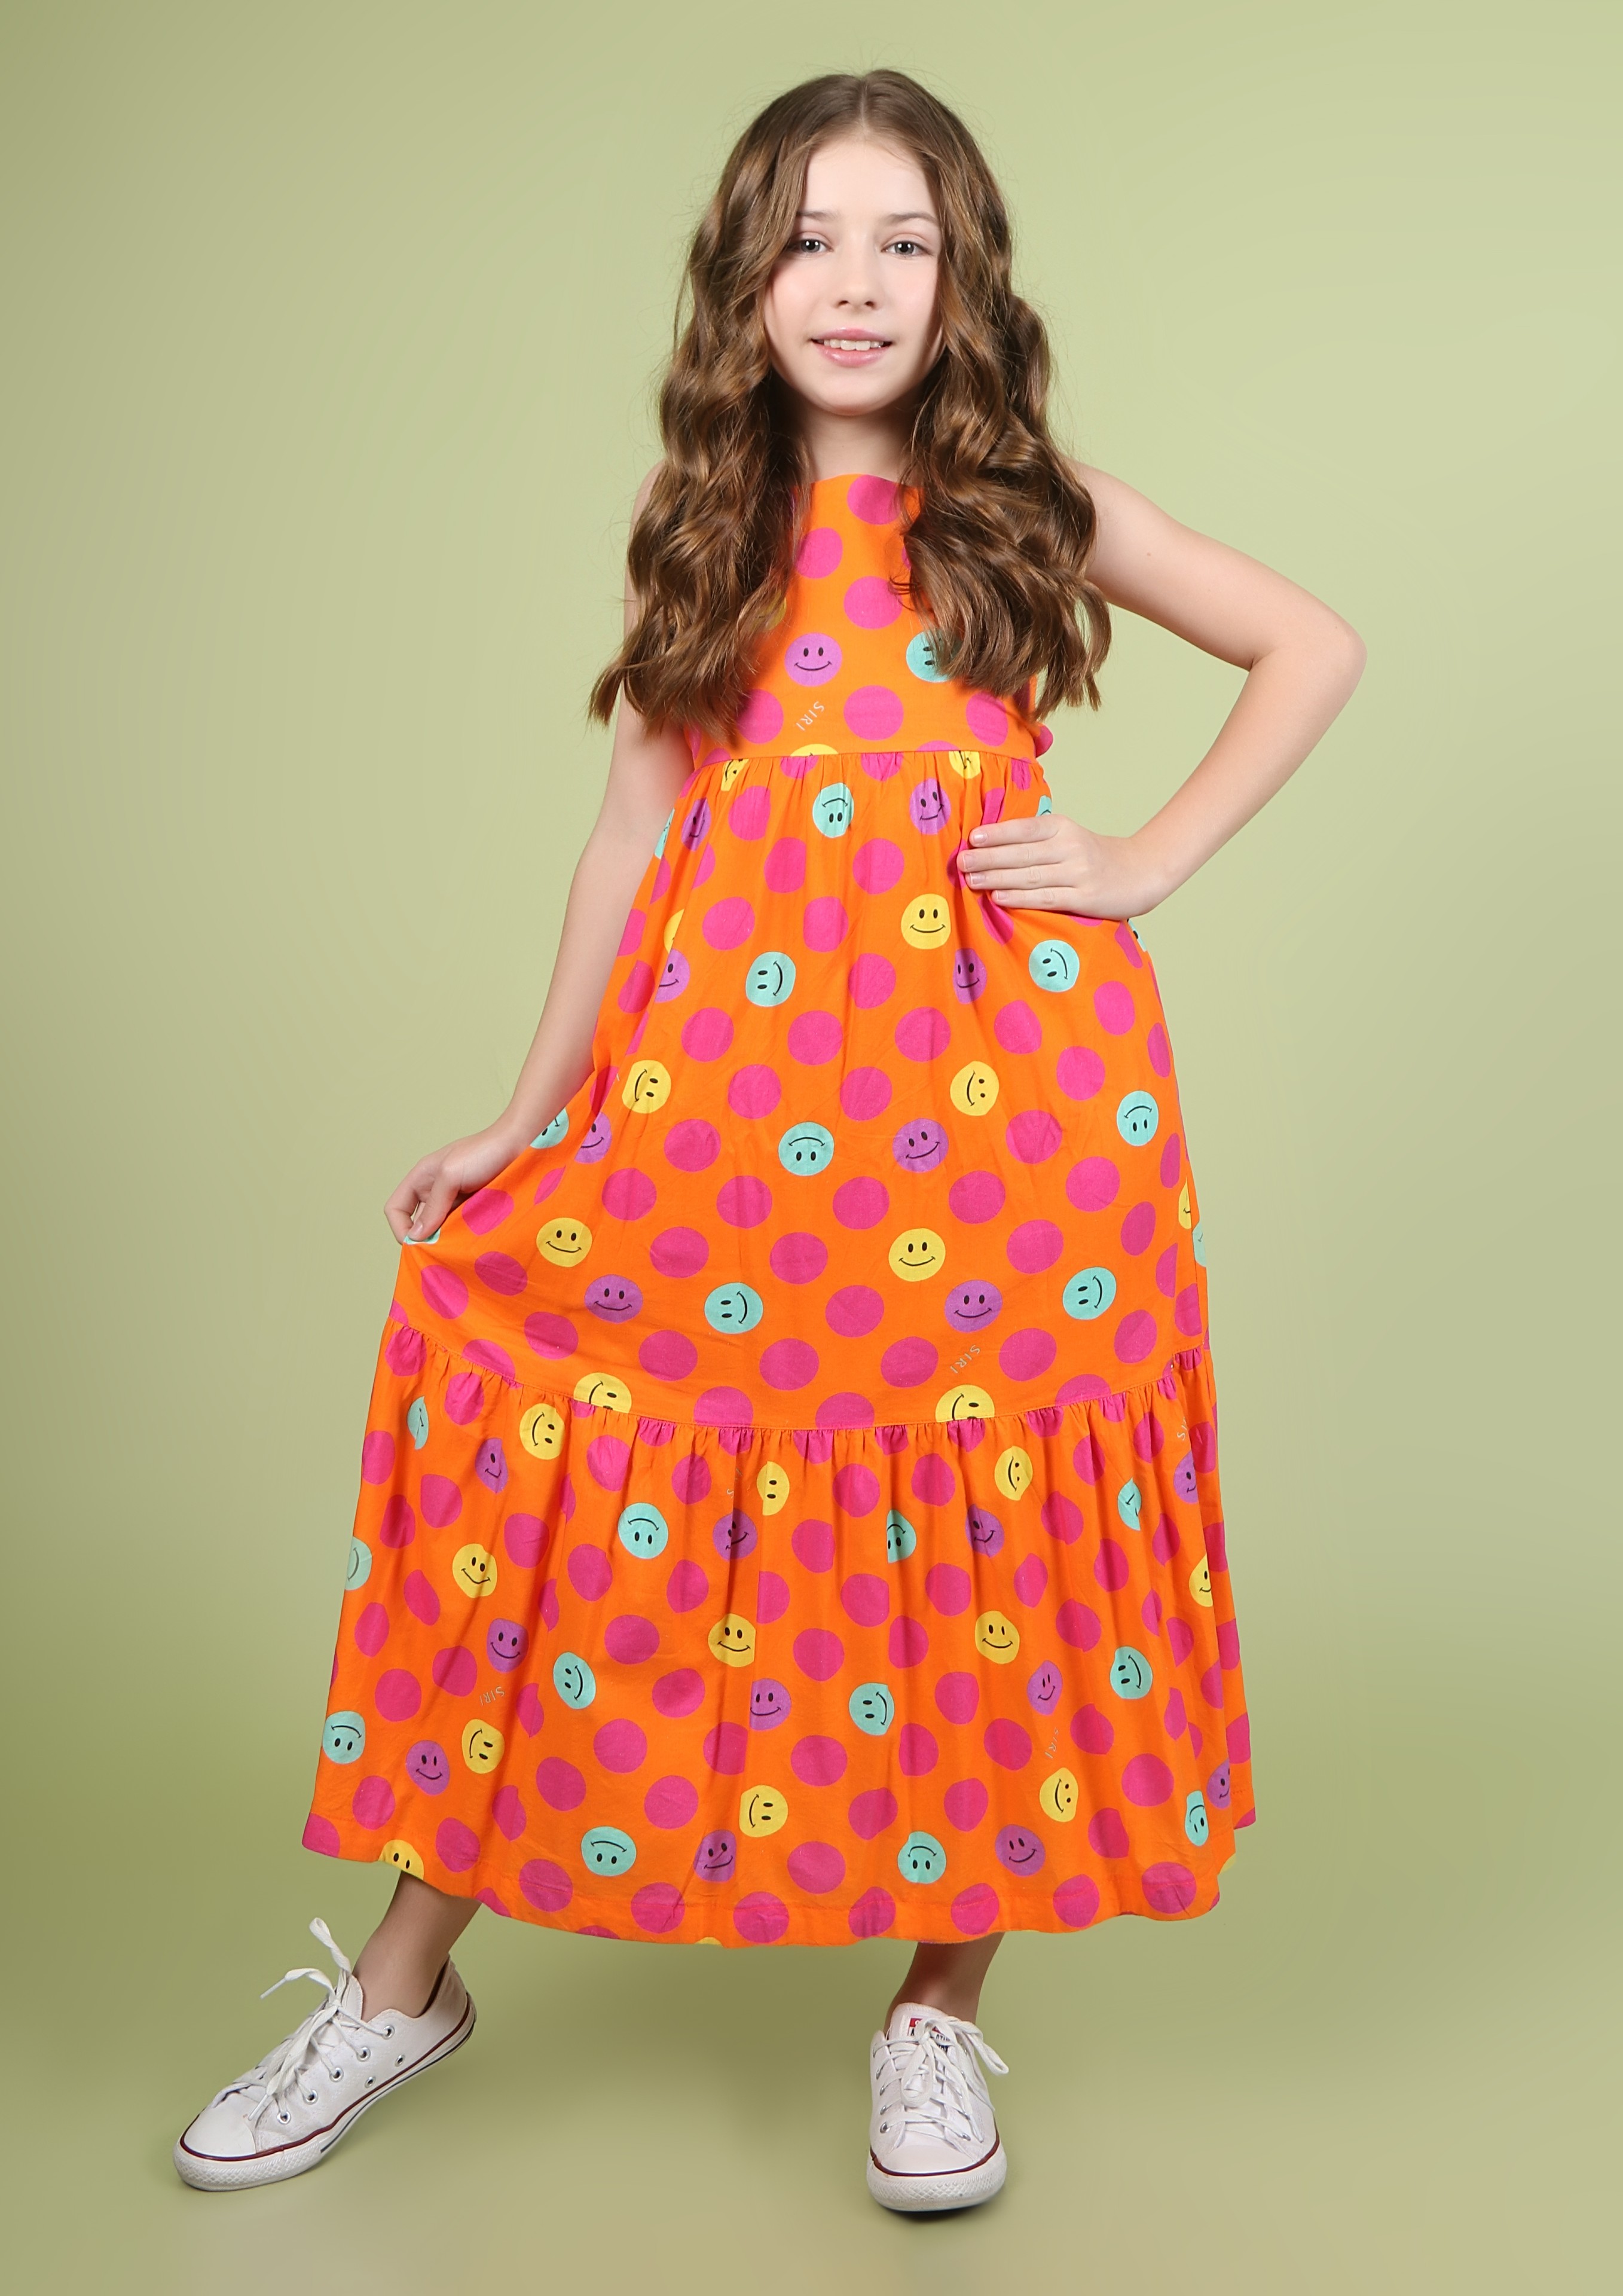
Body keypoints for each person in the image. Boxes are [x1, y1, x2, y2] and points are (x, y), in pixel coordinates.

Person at [175, 68, 1363, 2209]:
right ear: (743, 277)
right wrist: (527, 1112)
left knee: (985, 1522)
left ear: (964, 281)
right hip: (727, 1122)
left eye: (905, 241)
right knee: (589, 1485)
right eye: (812, 238)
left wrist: (1144, 860)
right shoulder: (703, 520)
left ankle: (936, 2014)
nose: (856, 281)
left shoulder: (1029, 506)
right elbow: (629, 839)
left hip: (1005, 1120)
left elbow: (1310, 643)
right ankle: (402, 1988)